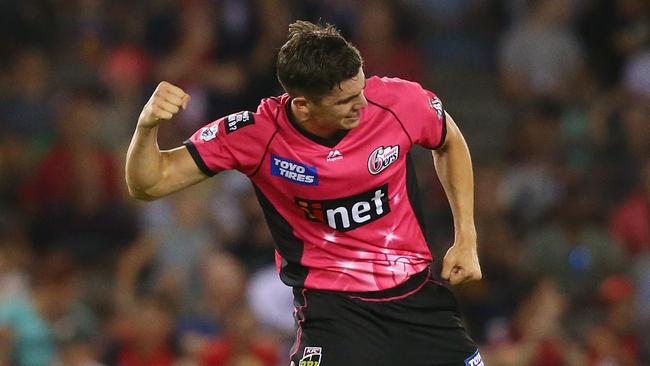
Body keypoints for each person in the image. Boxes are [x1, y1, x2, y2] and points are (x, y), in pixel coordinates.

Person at [126, 20, 483, 366]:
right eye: (346, 101)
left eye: (360, 89)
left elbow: (448, 140)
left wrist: (465, 237)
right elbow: (150, 183)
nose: (363, 104)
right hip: (333, 311)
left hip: (416, 296)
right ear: (302, 105)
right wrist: (146, 127)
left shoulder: (397, 100)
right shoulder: (257, 134)